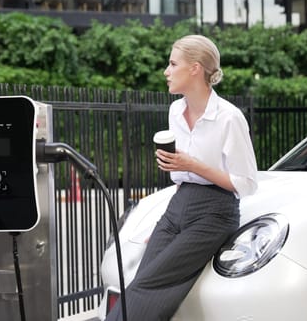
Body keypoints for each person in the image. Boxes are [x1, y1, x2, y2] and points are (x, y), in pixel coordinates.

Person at [106, 35, 258, 321]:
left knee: (145, 287)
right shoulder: (176, 110)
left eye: (173, 63)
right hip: (178, 206)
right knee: (144, 285)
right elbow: (182, 177)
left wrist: (193, 164)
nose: (166, 70)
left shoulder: (229, 117)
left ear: (195, 69)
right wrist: (177, 168)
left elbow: (246, 183)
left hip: (214, 212)